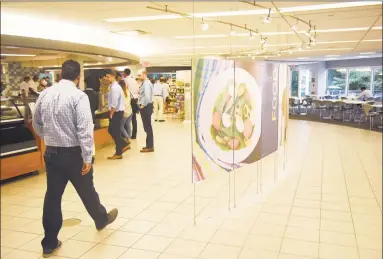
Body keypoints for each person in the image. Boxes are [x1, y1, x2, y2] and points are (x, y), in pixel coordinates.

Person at [32, 60, 118, 258]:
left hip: (52, 154)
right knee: (87, 191)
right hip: (74, 155)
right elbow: (84, 129)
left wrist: (49, 138)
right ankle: (101, 219)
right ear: (78, 77)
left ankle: (49, 243)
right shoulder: (79, 96)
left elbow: (36, 123)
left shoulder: (45, 94)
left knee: (52, 197)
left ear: (60, 74)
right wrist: (88, 156)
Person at [106, 70, 130, 160]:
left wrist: (111, 113)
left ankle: (119, 152)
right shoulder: (114, 86)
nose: (107, 79)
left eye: (108, 77)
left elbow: (114, 103)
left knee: (114, 131)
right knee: (112, 130)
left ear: (113, 76)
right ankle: (123, 144)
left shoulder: (114, 88)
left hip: (116, 112)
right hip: (117, 112)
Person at [138, 69, 154, 153]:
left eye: (139, 75)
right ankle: (149, 145)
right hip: (147, 106)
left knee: (147, 127)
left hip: (146, 107)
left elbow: (147, 97)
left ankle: (150, 146)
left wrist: (142, 105)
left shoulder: (146, 84)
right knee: (147, 127)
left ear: (144, 74)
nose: (138, 77)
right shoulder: (145, 83)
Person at [123, 68, 139, 140]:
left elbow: (124, 90)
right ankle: (134, 134)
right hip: (135, 99)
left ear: (125, 73)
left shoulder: (125, 80)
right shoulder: (134, 80)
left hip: (129, 100)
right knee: (133, 118)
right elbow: (137, 90)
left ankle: (126, 134)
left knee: (127, 117)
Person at [117, 72, 133, 143]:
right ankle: (129, 137)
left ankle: (127, 138)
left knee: (120, 126)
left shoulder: (120, 93)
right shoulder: (128, 91)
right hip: (130, 110)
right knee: (128, 125)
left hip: (124, 112)